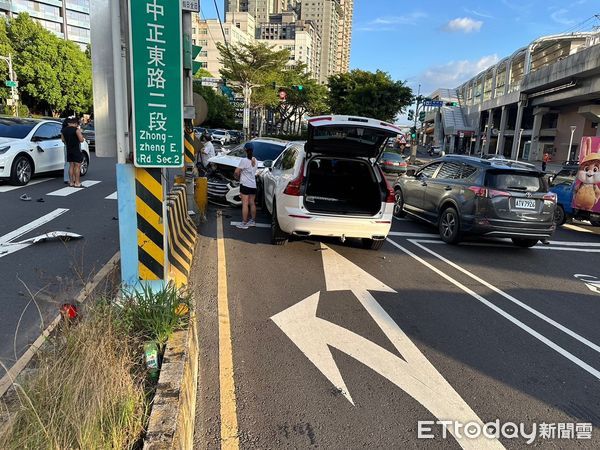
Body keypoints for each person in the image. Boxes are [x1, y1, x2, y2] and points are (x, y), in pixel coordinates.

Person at [234, 143, 257, 229]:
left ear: (245, 150)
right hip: (253, 185)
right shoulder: (255, 160)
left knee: (245, 204)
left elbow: (236, 172)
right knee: (252, 203)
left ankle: (244, 223)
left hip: (245, 185)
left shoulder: (244, 160)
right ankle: (253, 221)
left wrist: (236, 177)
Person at [61, 117, 85, 187]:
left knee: (71, 166)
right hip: (76, 149)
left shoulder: (63, 130)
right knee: (77, 166)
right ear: (75, 123)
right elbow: (81, 140)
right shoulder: (76, 130)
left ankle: (71, 182)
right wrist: (82, 137)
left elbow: (63, 140)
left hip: (69, 149)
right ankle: (77, 182)